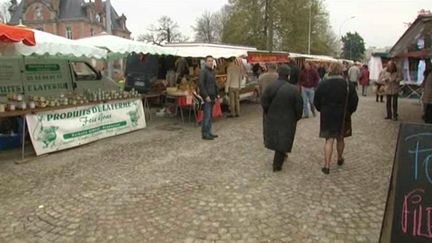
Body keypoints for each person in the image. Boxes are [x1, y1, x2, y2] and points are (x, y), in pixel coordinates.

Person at [314, 62, 359, 175]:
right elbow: (354, 100)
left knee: (329, 140)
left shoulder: (323, 84)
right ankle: (339, 158)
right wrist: (349, 112)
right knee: (340, 138)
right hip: (343, 114)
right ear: (341, 70)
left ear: (330, 70)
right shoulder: (348, 84)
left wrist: (321, 109)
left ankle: (327, 165)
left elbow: (316, 100)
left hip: (327, 114)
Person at [261, 64, 303, 172]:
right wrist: (296, 117)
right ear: (288, 76)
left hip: (273, 117)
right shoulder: (294, 90)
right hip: (288, 118)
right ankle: (277, 165)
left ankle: (281, 156)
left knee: (278, 138)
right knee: (283, 139)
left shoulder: (271, 86)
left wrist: (268, 112)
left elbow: (264, 102)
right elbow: (299, 107)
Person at [198, 55, 220, 140]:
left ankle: (209, 132)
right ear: (205, 62)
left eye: (212, 61)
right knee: (206, 116)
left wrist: (217, 93)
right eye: (209, 61)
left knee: (210, 116)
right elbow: (201, 84)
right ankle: (205, 133)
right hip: (207, 97)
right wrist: (205, 96)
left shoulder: (212, 71)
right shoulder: (203, 71)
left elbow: (215, 84)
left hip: (212, 97)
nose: (211, 62)